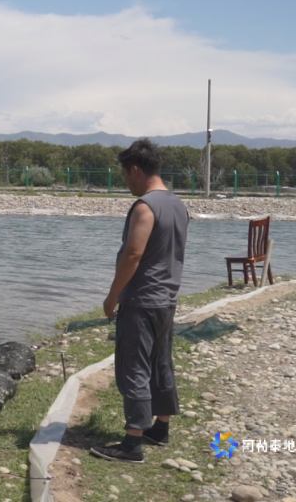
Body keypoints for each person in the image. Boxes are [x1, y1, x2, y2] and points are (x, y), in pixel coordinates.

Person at [90, 138, 188, 464]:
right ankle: (160, 428)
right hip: (166, 299)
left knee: (134, 367)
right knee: (161, 363)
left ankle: (132, 443)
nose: (126, 182)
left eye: (124, 175)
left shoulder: (145, 206)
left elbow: (133, 254)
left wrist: (113, 295)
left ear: (135, 170)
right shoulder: (177, 204)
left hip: (142, 299)